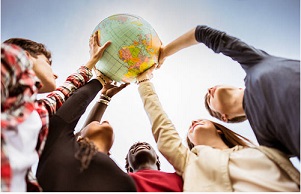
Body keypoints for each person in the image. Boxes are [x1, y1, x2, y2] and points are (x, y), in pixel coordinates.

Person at [135, 65, 300, 191]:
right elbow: (162, 124)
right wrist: (143, 82)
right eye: (189, 132)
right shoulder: (189, 162)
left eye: (201, 121)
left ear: (219, 128)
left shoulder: (265, 150)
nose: (193, 122)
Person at [157, 25, 300, 158]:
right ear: (225, 117)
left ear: (239, 87)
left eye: (213, 87)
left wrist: (163, 53)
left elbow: (201, 33)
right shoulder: (266, 141)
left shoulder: (254, 62)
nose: (209, 89)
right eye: (209, 99)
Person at [1, 31, 110, 191]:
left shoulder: (36, 113)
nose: (55, 73)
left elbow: (62, 94)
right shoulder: (8, 57)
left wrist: (99, 76)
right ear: (26, 57)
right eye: (47, 63)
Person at [36, 71, 136, 191]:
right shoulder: (56, 142)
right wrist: (101, 83)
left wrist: (103, 84)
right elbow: (78, 100)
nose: (105, 121)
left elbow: (79, 102)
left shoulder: (126, 183)